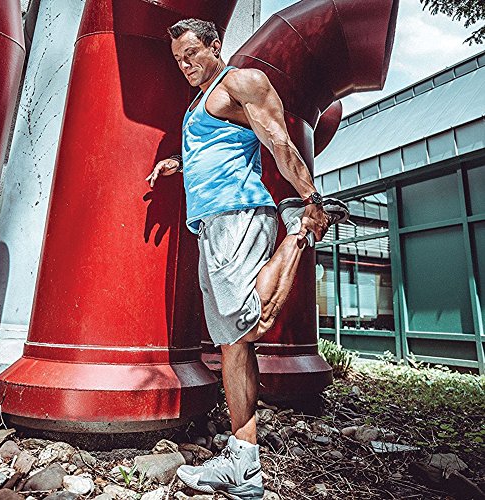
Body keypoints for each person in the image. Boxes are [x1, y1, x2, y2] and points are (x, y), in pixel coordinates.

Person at [146, 18, 349, 500]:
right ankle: (244, 463)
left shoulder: (240, 82)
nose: (185, 65)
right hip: (211, 223)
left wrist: (311, 198)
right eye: (178, 60)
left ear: (215, 45)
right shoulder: (201, 100)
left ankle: (300, 230)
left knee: (248, 325)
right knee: (232, 343)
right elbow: (218, 147)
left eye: (192, 54)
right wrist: (180, 164)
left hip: (238, 214)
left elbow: (278, 140)